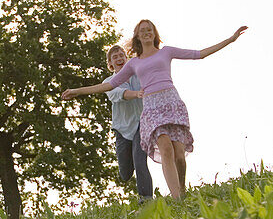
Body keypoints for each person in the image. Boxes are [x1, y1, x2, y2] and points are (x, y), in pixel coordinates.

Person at [62, 19, 247, 200]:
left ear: (154, 33)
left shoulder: (166, 52)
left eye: (149, 29)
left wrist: (230, 39)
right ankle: (177, 199)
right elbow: (109, 85)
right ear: (138, 37)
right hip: (151, 107)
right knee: (166, 148)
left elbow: (199, 54)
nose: (146, 32)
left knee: (179, 156)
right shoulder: (133, 63)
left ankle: (181, 188)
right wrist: (77, 91)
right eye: (142, 30)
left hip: (171, 102)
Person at [103, 44, 154, 201]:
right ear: (111, 64)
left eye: (122, 56)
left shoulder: (139, 75)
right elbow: (120, 94)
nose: (119, 59)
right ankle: (128, 165)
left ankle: (146, 198)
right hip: (122, 129)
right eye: (115, 57)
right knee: (125, 174)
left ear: (127, 59)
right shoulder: (109, 82)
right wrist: (137, 93)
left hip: (141, 124)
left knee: (140, 159)